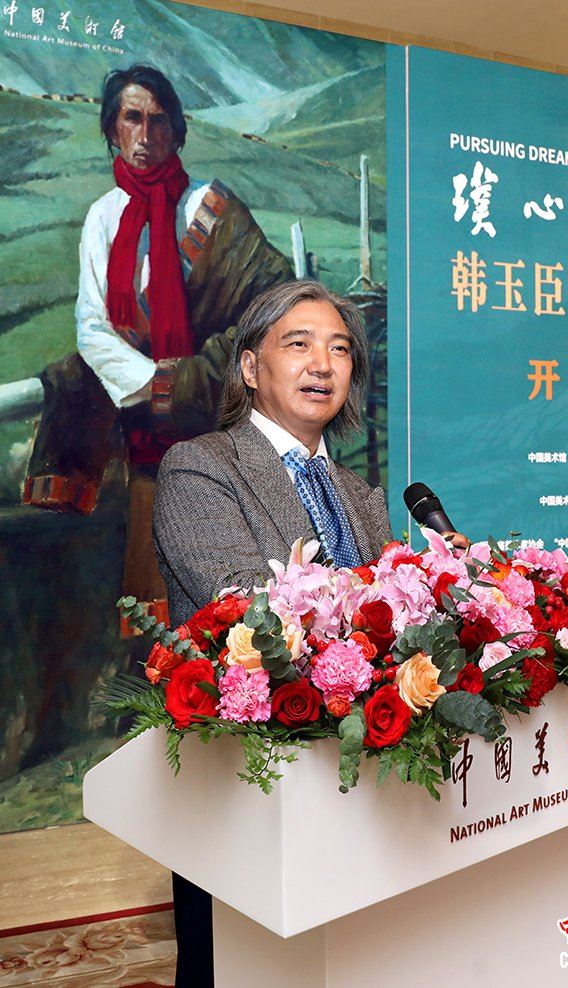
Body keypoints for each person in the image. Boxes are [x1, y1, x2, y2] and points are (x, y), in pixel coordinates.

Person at [152, 278, 392, 986]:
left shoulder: (361, 494)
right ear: (251, 368)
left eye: (340, 349)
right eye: (299, 344)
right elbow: (247, 608)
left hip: (354, 776)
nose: (323, 364)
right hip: (244, 777)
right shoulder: (200, 467)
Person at [24, 63, 292, 631]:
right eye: (132, 119)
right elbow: (92, 327)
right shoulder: (103, 217)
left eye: (158, 120)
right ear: (112, 129)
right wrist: (156, 384)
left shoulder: (210, 207)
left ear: (176, 131)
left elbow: (269, 301)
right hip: (141, 401)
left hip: (209, 400)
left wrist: (190, 380)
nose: (145, 135)